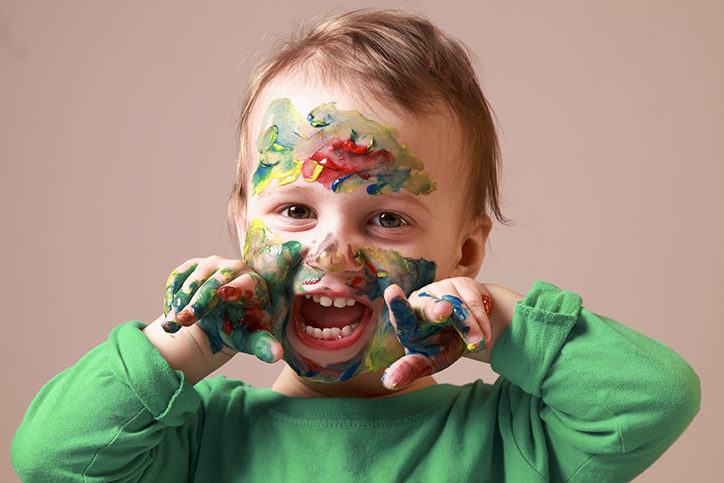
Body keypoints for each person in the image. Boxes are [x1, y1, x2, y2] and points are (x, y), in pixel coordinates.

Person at [12, 8, 700, 482]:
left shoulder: (508, 440)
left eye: (387, 219)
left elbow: (656, 395)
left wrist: (498, 318)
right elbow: (50, 456)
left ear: (464, 254)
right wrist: (190, 342)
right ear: (240, 225)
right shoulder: (196, 440)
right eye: (293, 210)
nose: (333, 252)